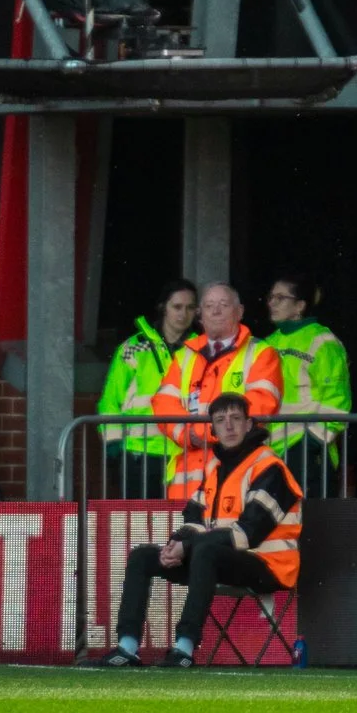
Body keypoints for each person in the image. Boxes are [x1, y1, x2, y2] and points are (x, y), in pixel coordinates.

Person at [105, 392, 302, 667]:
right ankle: (126, 648)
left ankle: (184, 649)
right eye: (221, 420)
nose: (229, 426)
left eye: (235, 419)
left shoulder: (270, 467)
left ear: (250, 424)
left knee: (207, 550)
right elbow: (194, 521)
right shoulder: (217, 469)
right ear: (213, 429)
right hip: (218, 559)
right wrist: (175, 546)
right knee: (142, 556)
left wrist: (189, 547)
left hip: (270, 566)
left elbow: (248, 534)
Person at [150, 282, 284, 498]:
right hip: (187, 482)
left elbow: (262, 404)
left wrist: (203, 432)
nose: (216, 310)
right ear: (200, 316)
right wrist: (188, 435)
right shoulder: (184, 356)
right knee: (181, 531)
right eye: (209, 305)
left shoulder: (261, 353)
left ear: (239, 312)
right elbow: (163, 403)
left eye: (223, 304)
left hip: (239, 475)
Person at [97, 277, 197, 497]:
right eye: (177, 307)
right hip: (139, 452)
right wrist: (113, 443)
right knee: (140, 525)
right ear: (163, 308)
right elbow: (111, 398)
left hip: (185, 453)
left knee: (181, 524)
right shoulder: (133, 348)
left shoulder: (201, 349)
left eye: (190, 307)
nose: (183, 314)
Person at [260, 273, 351, 494]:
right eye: (271, 297)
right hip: (269, 451)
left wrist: (311, 443)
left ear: (300, 305)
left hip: (309, 453)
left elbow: (337, 401)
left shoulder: (324, 341)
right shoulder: (265, 343)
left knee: (311, 525)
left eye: (280, 298)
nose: (272, 303)